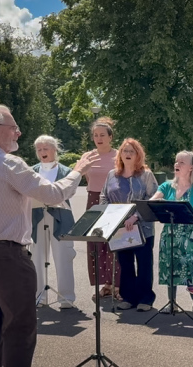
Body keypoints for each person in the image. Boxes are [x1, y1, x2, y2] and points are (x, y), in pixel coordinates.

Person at [0, 104, 97, 367]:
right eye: (13, 128)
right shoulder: (8, 163)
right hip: (7, 255)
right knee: (19, 329)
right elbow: (52, 194)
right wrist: (78, 171)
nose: (18, 133)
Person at [101, 138, 158, 312]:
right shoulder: (112, 174)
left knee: (144, 264)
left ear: (138, 155)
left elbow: (153, 198)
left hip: (142, 228)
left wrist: (135, 217)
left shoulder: (146, 175)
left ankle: (145, 299)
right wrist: (112, 217)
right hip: (119, 228)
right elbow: (104, 197)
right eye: (124, 151)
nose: (127, 154)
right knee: (125, 264)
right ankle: (128, 297)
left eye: (131, 151)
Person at [149, 151, 193, 315]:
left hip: (189, 235)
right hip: (170, 233)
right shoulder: (167, 186)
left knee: (192, 268)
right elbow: (154, 200)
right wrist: (157, 200)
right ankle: (172, 302)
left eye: (182, 162)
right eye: (176, 161)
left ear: (190, 167)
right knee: (170, 266)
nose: (177, 165)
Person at [30, 135, 77, 309]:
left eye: (46, 148)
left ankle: (66, 297)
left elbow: (69, 192)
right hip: (37, 216)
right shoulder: (31, 171)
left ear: (54, 149)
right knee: (37, 257)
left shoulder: (66, 171)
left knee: (63, 256)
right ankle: (39, 296)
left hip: (61, 216)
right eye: (39, 149)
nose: (42, 152)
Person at [81, 117, 121, 301]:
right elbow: (84, 177)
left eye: (102, 135)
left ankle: (118, 285)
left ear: (110, 137)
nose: (99, 138)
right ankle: (105, 284)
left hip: (113, 200)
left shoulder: (118, 155)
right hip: (93, 199)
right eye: (95, 135)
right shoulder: (87, 156)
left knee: (115, 243)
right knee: (97, 243)